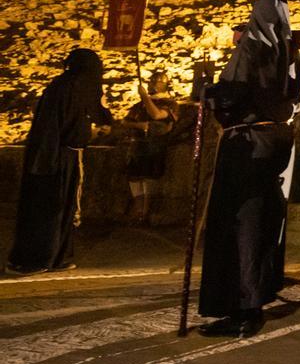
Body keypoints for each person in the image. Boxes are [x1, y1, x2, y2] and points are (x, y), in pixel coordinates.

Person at [199, 0, 300, 338]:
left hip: (247, 144)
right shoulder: (290, 51)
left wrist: (209, 93)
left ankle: (244, 307)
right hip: (276, 138)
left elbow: (234, 95)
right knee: (261, 220)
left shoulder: (253, 48)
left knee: (240, 224)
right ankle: (257, 292)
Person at [7, 49, 112, 275]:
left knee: (46, 207)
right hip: (64, 156)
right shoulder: (87, 85)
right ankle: (44, 258)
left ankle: (46, 257)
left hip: (46, 154)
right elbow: (103, 116)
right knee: (58, 208)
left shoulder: (58, 84)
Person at [123, 69, 179, 225]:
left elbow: (156, 115)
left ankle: (145, 213)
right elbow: (125, 121)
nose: (152, 84)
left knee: (149, 178)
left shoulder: (170, 104)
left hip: (155, 145)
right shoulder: (139, 105)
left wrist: (144, 97)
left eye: (157, 82)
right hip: (138, 144)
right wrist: (139, 125)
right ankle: (138, 210)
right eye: (151, 81)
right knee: (134, 177)